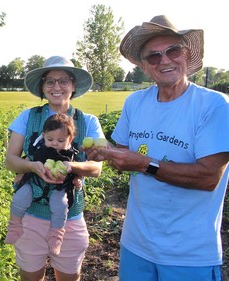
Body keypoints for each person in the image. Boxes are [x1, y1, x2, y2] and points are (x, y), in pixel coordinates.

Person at [85, 15, 229, 281]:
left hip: (188, 254)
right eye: (153, 56)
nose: (164, 60)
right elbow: (122, 153)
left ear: (186, 54)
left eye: (172, 51)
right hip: (135, 244)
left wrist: (141, 164)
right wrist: (104, 152)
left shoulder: (215, 106)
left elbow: (209, 177)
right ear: (144, 65)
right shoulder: (135, 102)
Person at [5, 55, 104, 281]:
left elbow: (96, 168)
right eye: (49, 81)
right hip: (30, 218)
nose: (56, 86)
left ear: (73, 86)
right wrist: (33, 167)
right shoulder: (28, 117)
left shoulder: (87, 121)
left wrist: (71, 167)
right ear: (42, 87)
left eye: (63, 81)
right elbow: (10, 160)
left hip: (70, 217)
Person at [5, 113, 83, 256]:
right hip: (35, 182)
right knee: (19, 197)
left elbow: (76, 172)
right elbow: (29, 159)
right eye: (50, 139)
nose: (54, 143)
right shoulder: (40, 148)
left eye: (60, 140)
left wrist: (77, 179)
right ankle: (14, 227)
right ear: (43, 135)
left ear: (70, 139)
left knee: (60, 206)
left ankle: (56, 236)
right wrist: (21, 173)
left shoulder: (71, 155)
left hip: (59, 187)